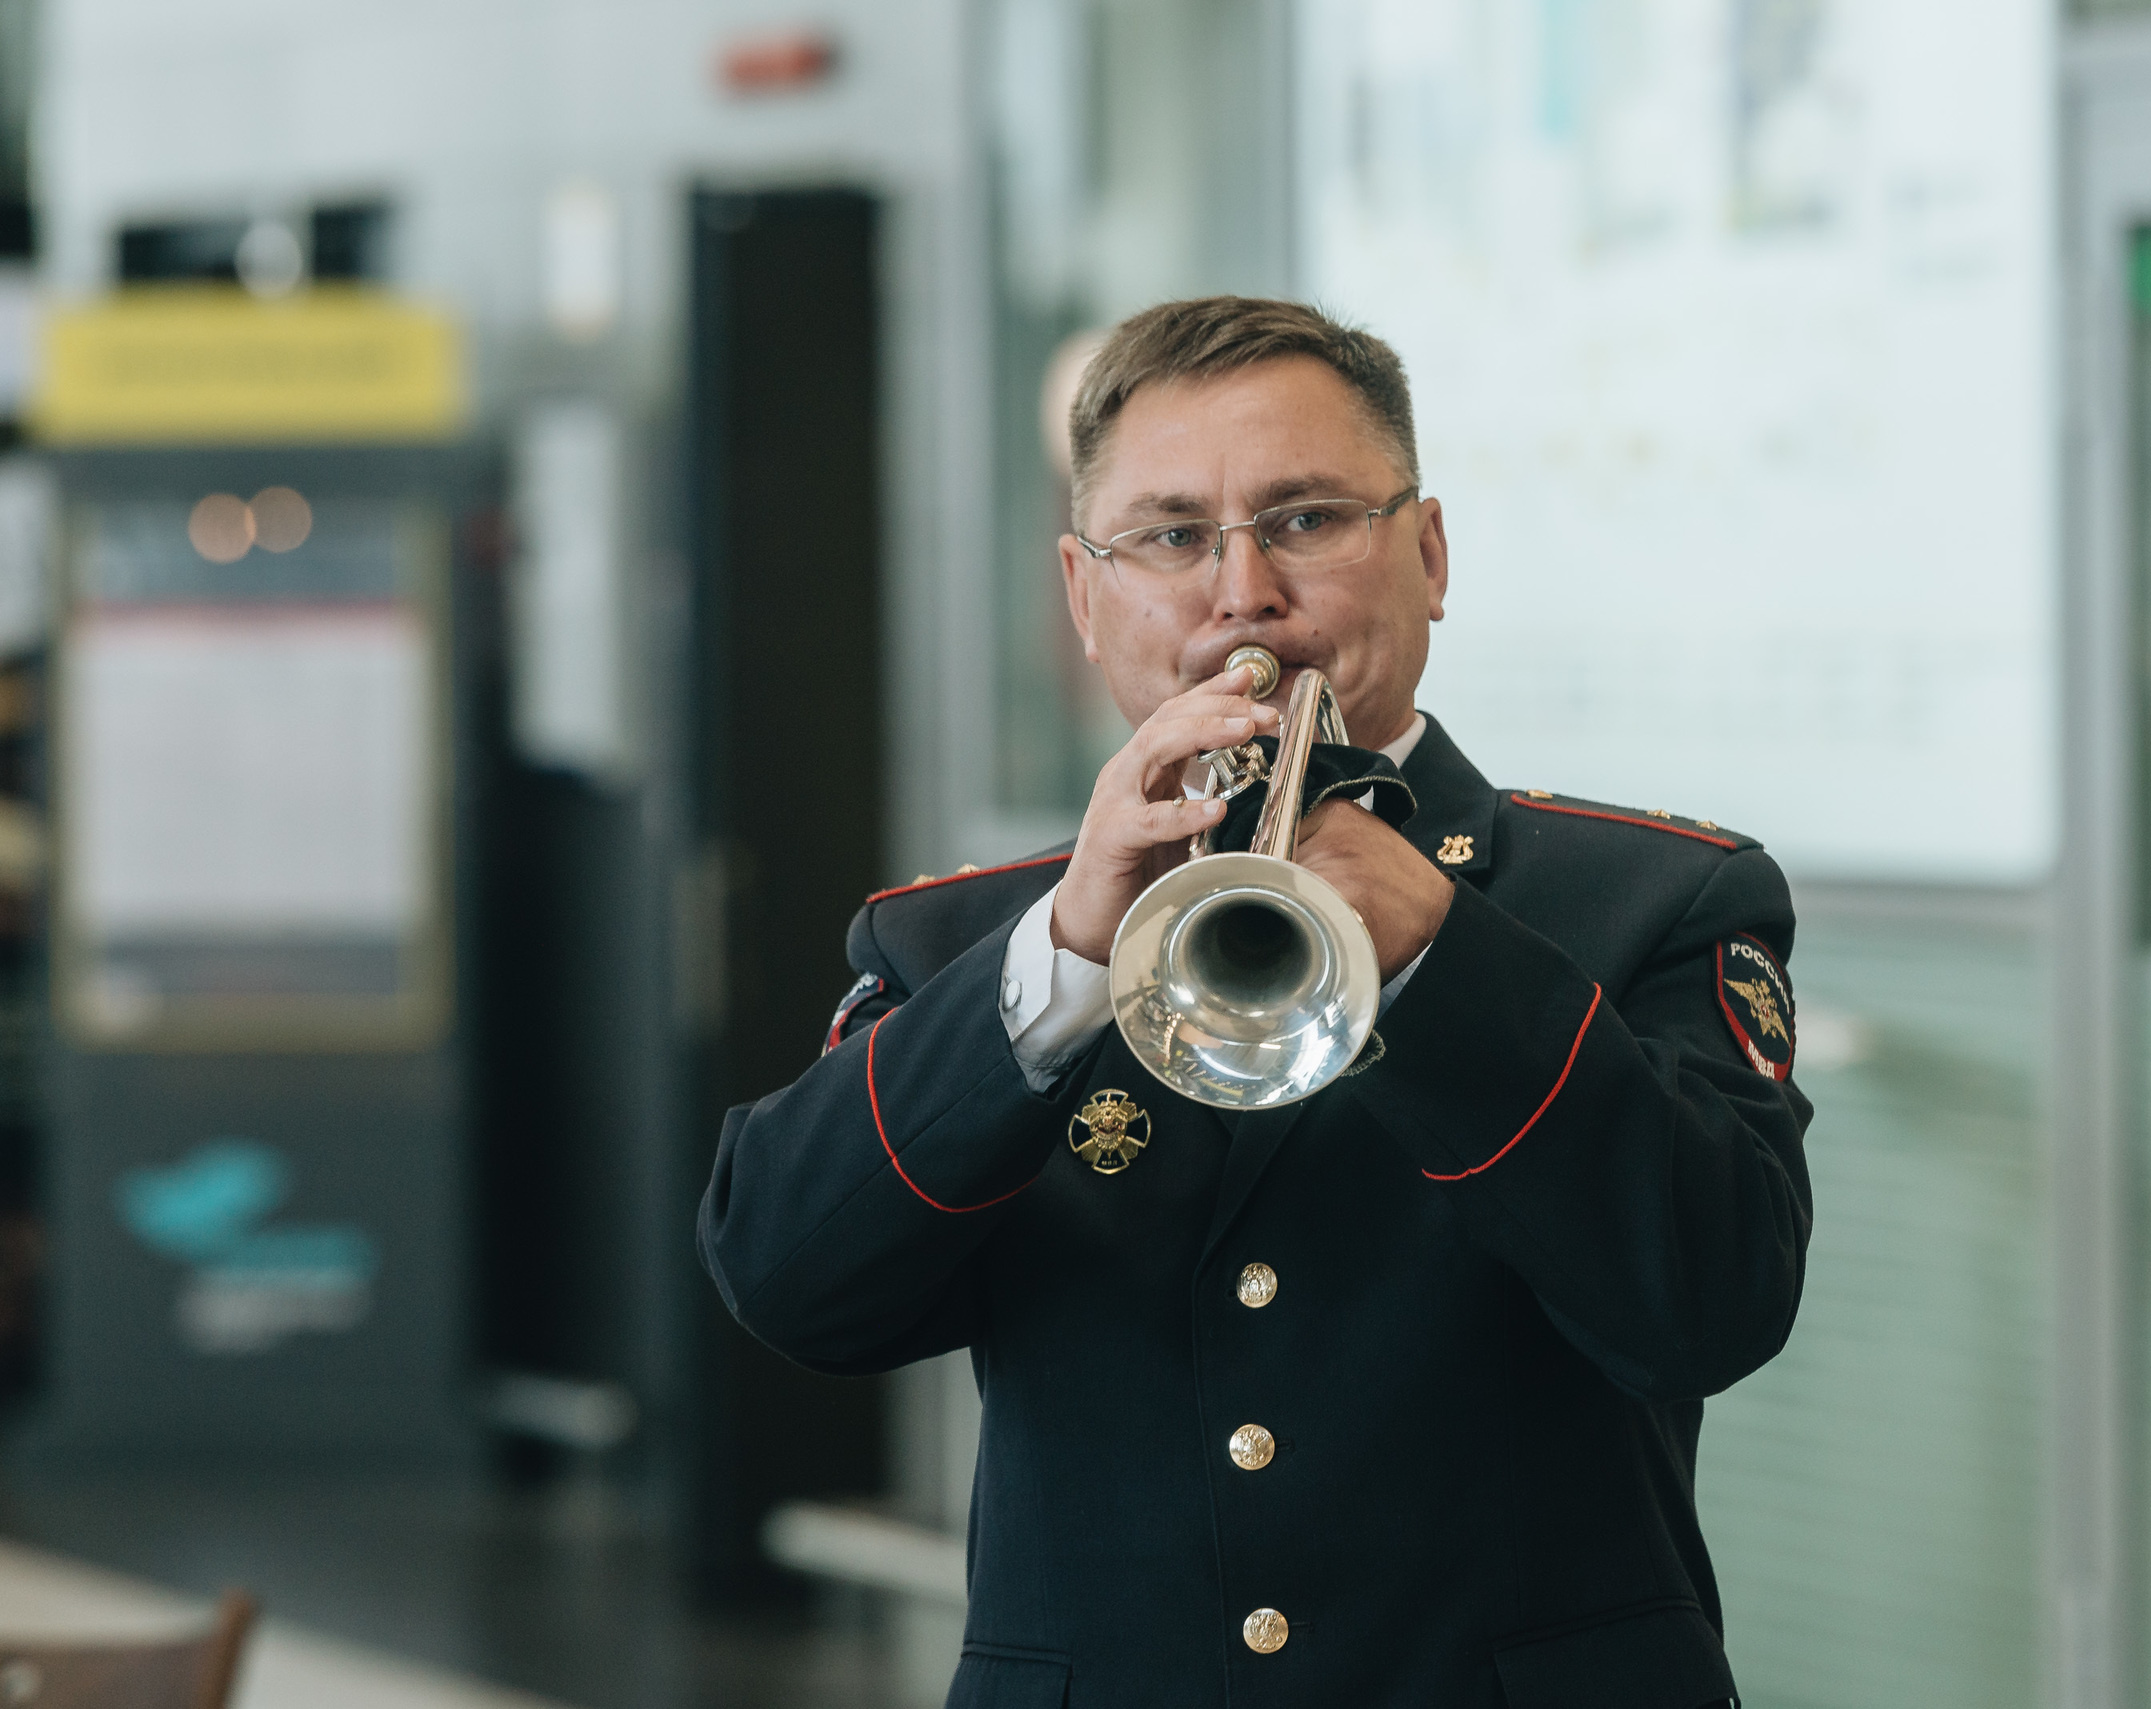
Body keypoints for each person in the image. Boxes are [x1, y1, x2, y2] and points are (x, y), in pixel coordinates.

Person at [699, 297, 1813, 1709]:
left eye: (1304, 520)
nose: (1240, 594)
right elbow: (788, 1281)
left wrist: (1437, 949)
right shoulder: (960, 942)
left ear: (1428, 553)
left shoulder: (1654, 899)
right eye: (1170, 536)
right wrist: (1070, 956)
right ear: (1083, 593)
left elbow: (1711, 1302)